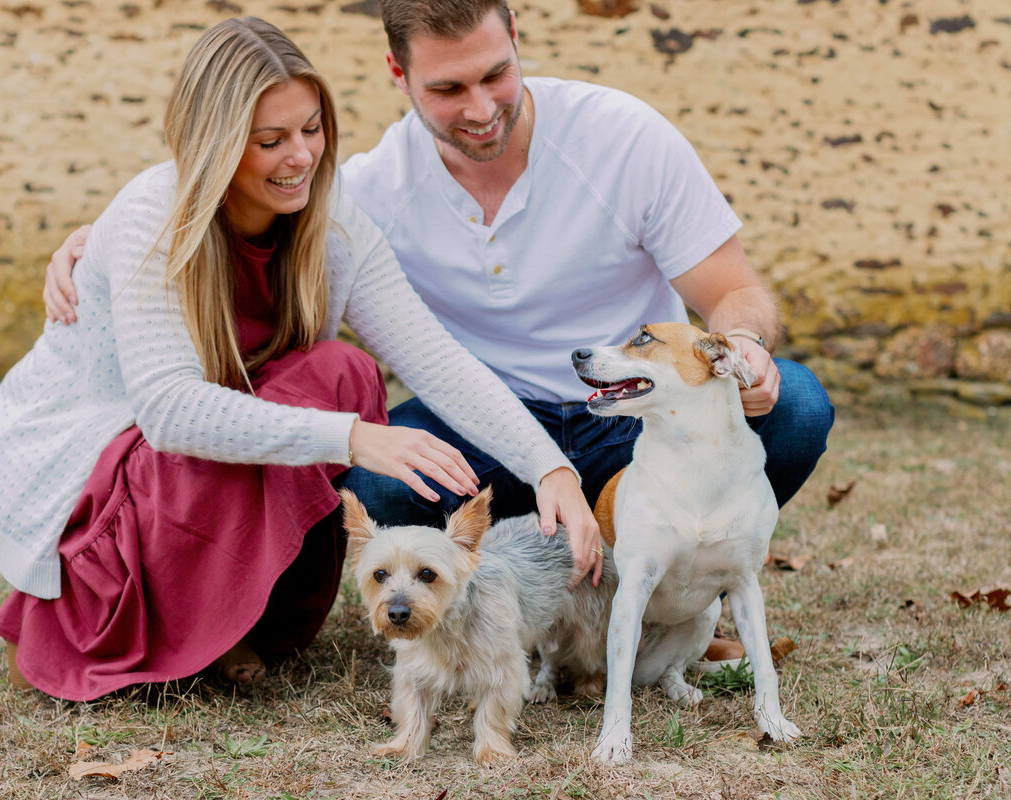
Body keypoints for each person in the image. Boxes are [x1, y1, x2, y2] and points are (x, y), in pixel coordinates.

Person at [44, 1, 834, 668]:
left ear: (517, 39)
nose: (482, 107)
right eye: (449, 88)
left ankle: (674, 606)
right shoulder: (369, 188)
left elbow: (733, 291)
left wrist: (745, 352)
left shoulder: (622, 136)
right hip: (487, 431)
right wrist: (108, 234)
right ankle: (494, 604)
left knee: (792, 407)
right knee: (376, 492)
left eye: (496, 75)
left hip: (630, 424)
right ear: (400, 79)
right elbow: (428, 355)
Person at [0, 16, 600, 702]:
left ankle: (230, 613)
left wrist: (549, 468)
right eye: (270, 141)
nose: (300, 156)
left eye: (311, 130)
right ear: (217, 145)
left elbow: (435, 358)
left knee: (341, 370)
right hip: (103, 472)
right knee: (329, 389)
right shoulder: (153, 215)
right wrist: (354, 437)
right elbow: (172, 411)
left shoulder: (329, 218)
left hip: (184, 468)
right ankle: (155, 619)